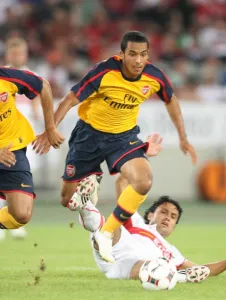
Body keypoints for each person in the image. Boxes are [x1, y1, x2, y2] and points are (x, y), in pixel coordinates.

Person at [33, 31, 197, 263]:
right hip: (89, 135)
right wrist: (50, 129)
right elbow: (70, 98)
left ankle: (106, 232)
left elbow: (171, 99)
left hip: (123, 137)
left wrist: (183, 137)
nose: (138, 60)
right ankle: (86, 199)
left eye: (143, 55)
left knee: (143, 180)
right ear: (121, 54)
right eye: (132, 54)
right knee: (66, 199)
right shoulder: (104, 71)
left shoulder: (154, 76)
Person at [91, 196, 226, 281]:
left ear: (175, 225)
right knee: (109, 224)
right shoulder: (138, 223)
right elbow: (125, 191)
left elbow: (201, 270)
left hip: (130, 267)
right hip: (116, 250)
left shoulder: (172, 251)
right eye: (163, 212)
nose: (168, 218)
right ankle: (86, 206)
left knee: (151, 267)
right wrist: (142, 159)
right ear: (150, 214)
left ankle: (170, 275)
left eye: (173, 217)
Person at [0, 66, 64, 232]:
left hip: (12, 149)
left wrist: (50, 128)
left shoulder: (6, 77)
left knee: (22, 214)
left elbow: (43, 85)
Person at [0, 37, 40, 240]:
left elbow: (40, 95)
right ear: (7, 54)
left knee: (16, 175)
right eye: (13, 53)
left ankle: (14, 221)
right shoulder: (5, 75)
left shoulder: (28, 75)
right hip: (6, 131)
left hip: (22, 134)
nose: (17, 56)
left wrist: (42, 122)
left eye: (20, 53)